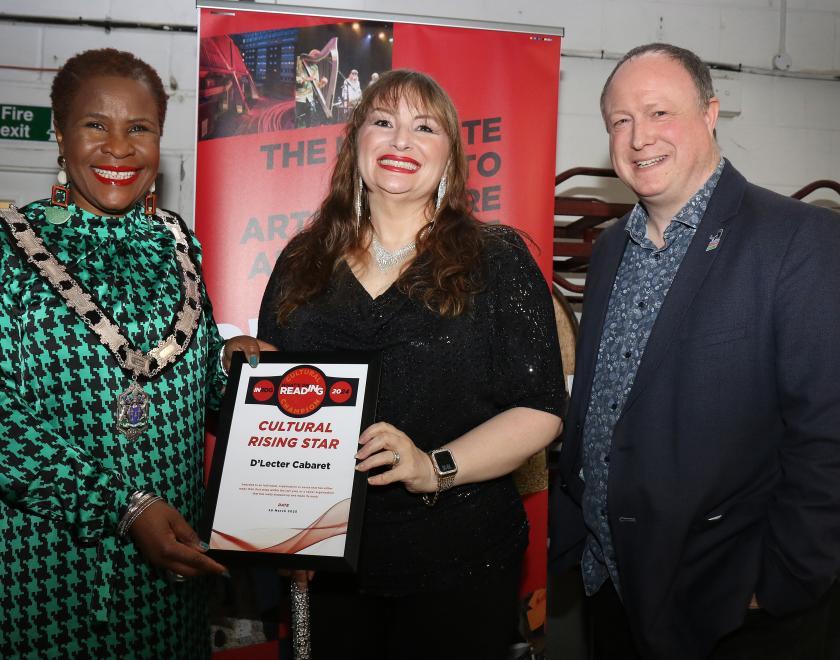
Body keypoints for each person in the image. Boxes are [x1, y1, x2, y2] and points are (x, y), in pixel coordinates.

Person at [258, 69, 565, 660]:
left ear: (449, 155)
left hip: (458, 561)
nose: (401, 141)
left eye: (424, 128)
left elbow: (541, 409)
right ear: (355, 143)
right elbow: (276, 402)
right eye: (383, 123)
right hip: (326, 567)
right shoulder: (303, 259)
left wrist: (433, 466)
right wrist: (281, 534)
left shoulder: (497, 259)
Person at [552, 42, 840, 660]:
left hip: (731, 608)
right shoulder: (608, 251)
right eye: (620, 121)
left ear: (710, 113)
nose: (638, 137)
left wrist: (781, 581)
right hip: (613, 588)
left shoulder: (800, 240)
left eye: (659, 113)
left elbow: (827, 432)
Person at [0, 48, 266, 657]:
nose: (118, 148)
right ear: (60, 136)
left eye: (138, 128)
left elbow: (192, 382)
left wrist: (237, 371)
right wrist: (121, 505)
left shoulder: (177, 243)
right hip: (47, 572)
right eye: (96, 125)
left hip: (169, 579)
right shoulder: (8, 249)